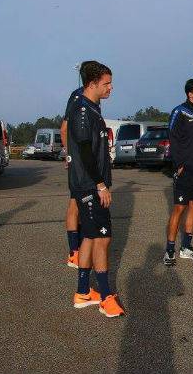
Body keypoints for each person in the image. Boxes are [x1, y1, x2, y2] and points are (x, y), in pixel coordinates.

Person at [68, 61, 124, 317]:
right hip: (90, 185)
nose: (111, 87)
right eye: (106, 83)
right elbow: (84, 152)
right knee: (103, 238)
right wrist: (100, 184)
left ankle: (82, 292)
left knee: (90, 236)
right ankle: (104, 297)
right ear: (91, 84)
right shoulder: (82, 110)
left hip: (92, 183)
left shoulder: (93, 108)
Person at [163, 79, 193, 266]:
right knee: (179, 208)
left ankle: (186, 247)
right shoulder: (179, 111)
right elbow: (172, 137)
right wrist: (179, 164)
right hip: (185, 170)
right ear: (190, 94)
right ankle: (169, 250)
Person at [61, 60, 97, 268]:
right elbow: (64, 128)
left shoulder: (92, 100)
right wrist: (68, 155)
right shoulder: (77, 97)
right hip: (78, 162)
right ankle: (74, 252)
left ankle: (81, 248)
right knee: (75, 203)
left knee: (83, 205)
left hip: (87, 163)